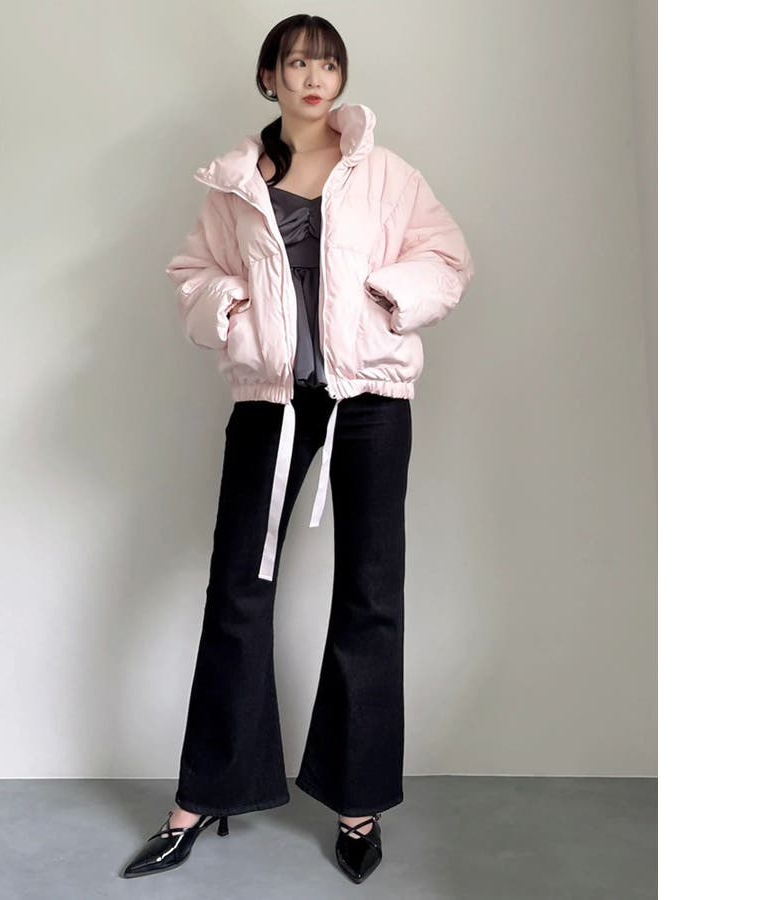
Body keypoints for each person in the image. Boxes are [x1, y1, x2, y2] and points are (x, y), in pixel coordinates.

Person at [122, 13, 474, 885]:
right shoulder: (236, 183)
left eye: (327, 65)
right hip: (270, 404)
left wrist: (387, 299)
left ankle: (358, 801)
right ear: (269, 77)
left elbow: (447, 258)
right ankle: (203, 795)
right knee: (238, 588)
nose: (314, 79)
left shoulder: (386, 174)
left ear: (341, 79)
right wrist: (233, 311)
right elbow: (192, 274)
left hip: (370, 401)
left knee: (369, 594)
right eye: (296, 63)